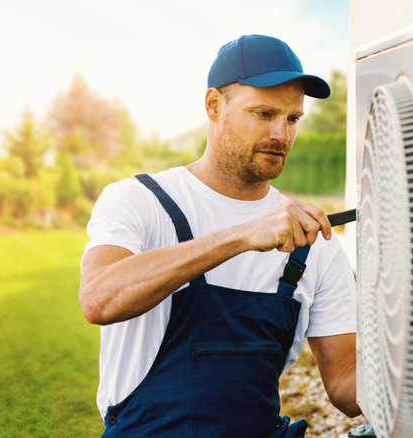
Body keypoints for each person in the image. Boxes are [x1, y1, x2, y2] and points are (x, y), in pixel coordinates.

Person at [79, 34, 360, 437]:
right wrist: (242, 236)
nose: (282, 135)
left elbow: (346, 389)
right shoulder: (138, 201)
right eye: (264, 114)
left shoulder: (313, 240)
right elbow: (98, 299)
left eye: (293, 118)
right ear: (214, 105)